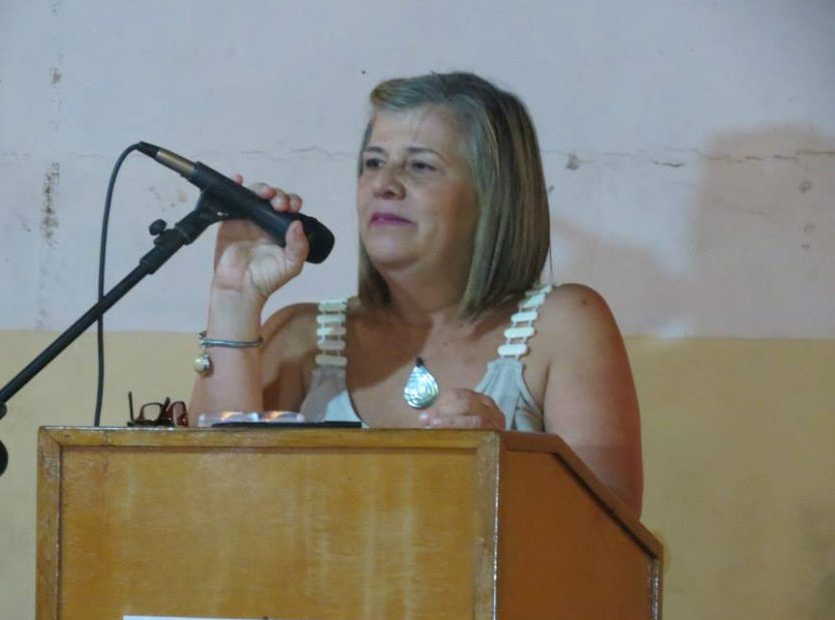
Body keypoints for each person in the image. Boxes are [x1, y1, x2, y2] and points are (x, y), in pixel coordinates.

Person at [189, 72, 643, 516]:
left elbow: (610, 534)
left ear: (491, 194)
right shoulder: (301, 336)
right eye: (373, 163)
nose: (383, 184)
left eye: (420, 165)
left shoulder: (562, 325)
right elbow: (210, 501)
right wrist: (233, 298)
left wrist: (505, 463)